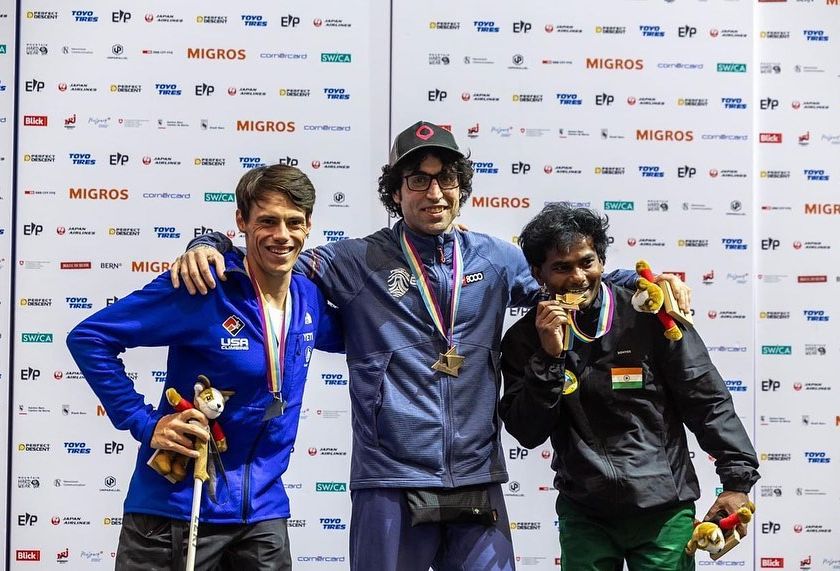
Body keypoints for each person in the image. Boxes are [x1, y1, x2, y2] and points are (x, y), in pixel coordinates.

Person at [172, 121, 690, 570]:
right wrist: (208, 243)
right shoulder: (355, 261)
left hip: (476, 474)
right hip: (390, 479)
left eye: (446, 179)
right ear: (396, 192)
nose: (434, 192)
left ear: (461, 188)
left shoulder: (495, 259)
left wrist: (640, 282)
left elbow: (570, 283)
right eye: (418, 180)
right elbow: (272, 258)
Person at [66, 164, 343, 570]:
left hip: (263, 514)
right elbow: (90, 339)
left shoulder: (308, 298)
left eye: (293, 222)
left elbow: (367, 332)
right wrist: (145, 423)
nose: (282, 235)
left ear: (309, 226)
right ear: (241, 221)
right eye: (267, 221)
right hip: (177, 509)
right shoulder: (203, 286)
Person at [498, 204, 759, 570]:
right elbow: (527, 431)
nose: (577, 277)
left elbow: (707, 400)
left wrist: (737, 482)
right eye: (562, 267)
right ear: (537, 273)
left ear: (602, 261)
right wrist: (549, 358)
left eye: (587, 262)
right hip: (585, 514)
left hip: (662, 511)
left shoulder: (651, 317)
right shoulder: (525, 340)